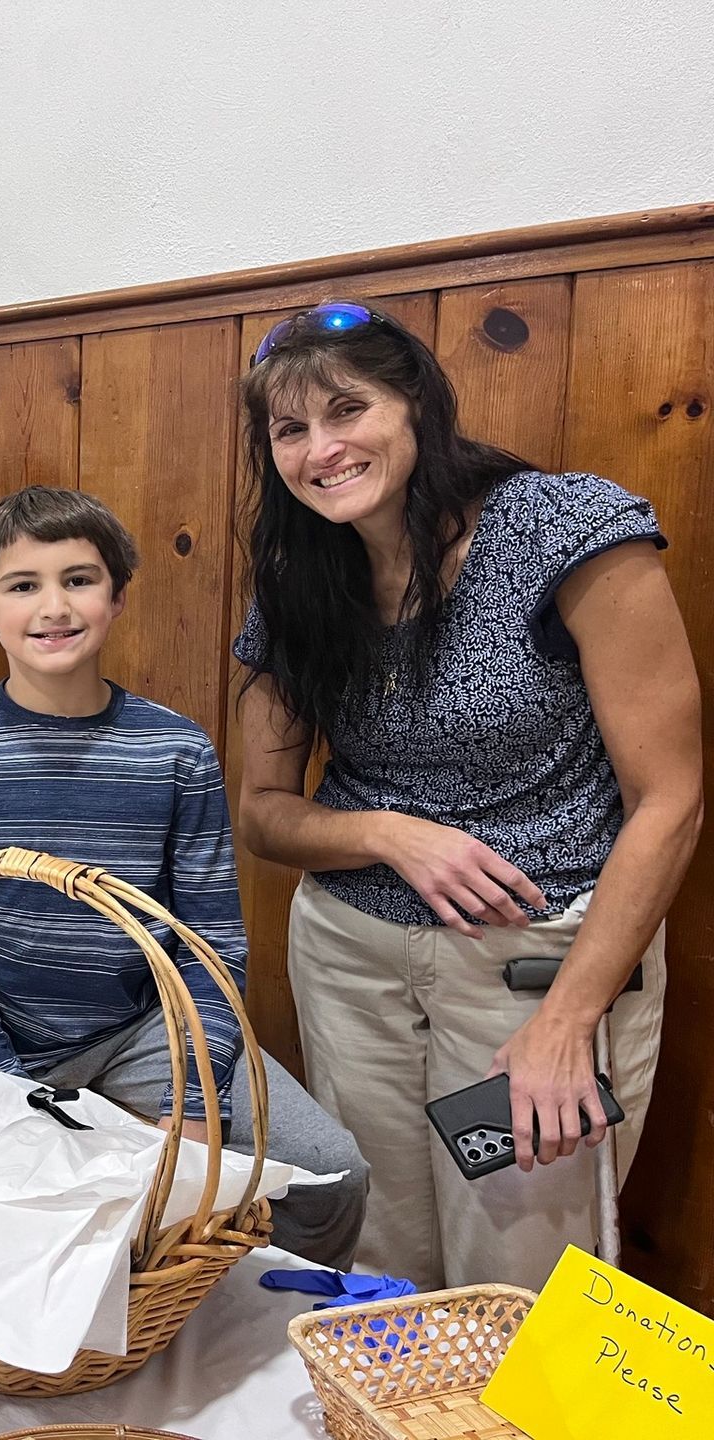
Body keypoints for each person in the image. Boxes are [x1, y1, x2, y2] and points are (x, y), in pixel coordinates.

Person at [233, 302, 700, 1290]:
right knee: (385, 1259)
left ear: (414, 404)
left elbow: (672, 797)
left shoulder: (563, 526)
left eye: (346, 410)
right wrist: (391, 835)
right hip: (353, 964)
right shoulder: (296, 581)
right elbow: (265, 811)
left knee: (523, 1269)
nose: (322, 448)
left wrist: (570, 1019)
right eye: (290, 430)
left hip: (535, 964)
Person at [0, 485, 367, 1267]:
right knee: (9, 1223)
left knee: (332, 1170)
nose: (54, 606)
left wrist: (192, 1094)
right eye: (23, 585)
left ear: (117, 596)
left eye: (79, 579)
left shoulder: (174, 751)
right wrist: (11, 1097)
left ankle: (259, 1320)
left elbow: (210, 940)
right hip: (2, 1045)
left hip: (147, 1028)